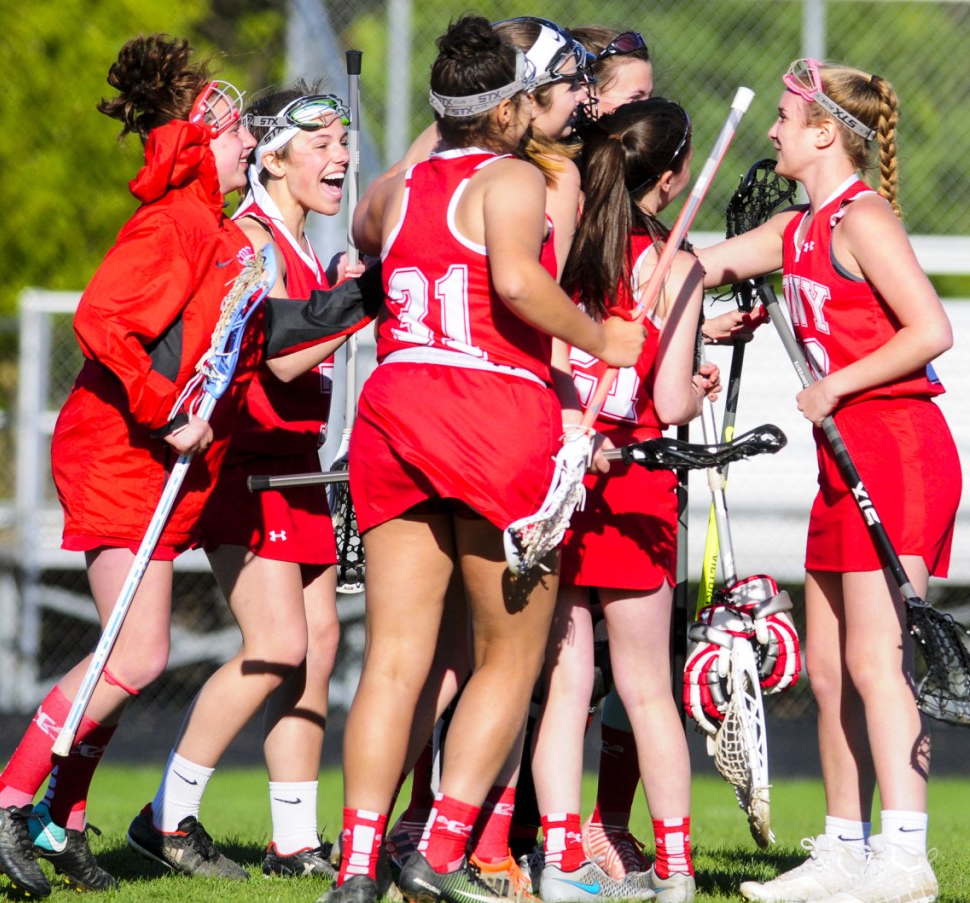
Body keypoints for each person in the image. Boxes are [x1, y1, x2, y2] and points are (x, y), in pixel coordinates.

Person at [0, 34, 380, 898]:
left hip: (162, 462)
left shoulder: (221, 238)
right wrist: (167, 408)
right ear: (197, 145)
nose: (242, 150)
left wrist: (363, 291)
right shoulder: (177, 224)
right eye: (231, 139)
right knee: (135, 652)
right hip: (122, 452)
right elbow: (100, 322)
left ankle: (64, 820)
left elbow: (272, 341)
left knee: (133, 652)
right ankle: (7, 795)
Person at [323, 16, 646, 903]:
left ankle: (355, 867)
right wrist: (602, 338)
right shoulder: (512, 178)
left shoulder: (396, 189)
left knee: (394, 654)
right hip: (490, 411)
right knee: (511, 653)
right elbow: (515, 281)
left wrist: (444, 123)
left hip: (392, 411)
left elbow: (363, 228)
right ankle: (440, 847)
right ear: (507, 109)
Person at [696, 58, 960, 903]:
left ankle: (904, 856)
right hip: (841, 462)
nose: (771, 131)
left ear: (821, 134)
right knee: (829, 669)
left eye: (782, 117)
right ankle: (845, 847)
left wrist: (838, 383)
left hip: (897, 448)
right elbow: (702, 267)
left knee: (879, 661)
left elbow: (931, 328)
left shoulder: (861, 219)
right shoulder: (795, 228)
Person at [126, 83, 361, 881]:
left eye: (344, 141)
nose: (340, 157)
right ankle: (167, 814)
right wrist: (366, 292)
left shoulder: (298, 246)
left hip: (301, 466)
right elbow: (286, 356)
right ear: (274, 154)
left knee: (317, 649)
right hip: (251, 466)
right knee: (277, 644)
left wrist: (341, 287)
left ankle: (293, 839)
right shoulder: (253, 238)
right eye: (322, 142)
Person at [532, 99, 719, 903]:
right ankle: (674, 871)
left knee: (567, 683)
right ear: (672, 177)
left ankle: (560, 859)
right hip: (634, 482)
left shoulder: (562, 247)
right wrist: (696, 376)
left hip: (562, 473)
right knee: (645, 686)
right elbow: (672, 401)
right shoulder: (678, 268)